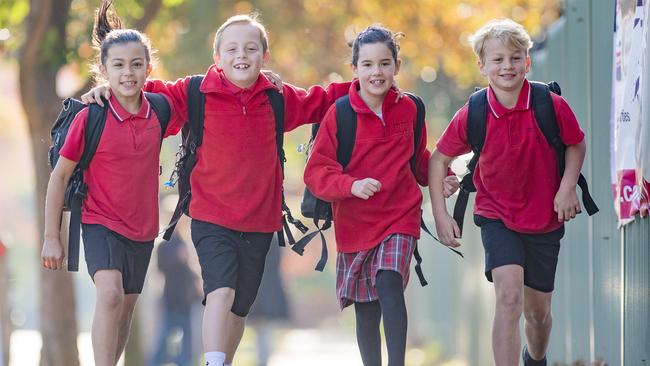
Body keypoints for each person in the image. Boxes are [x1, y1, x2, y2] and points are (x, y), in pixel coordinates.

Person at [82, 13, 351, 366]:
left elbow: (324, 99)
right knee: (219, 293)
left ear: (264, 57)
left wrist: (368, 82)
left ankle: (221, 359)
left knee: (239, 309)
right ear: (218, 58)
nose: (242, 55)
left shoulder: (277, 99)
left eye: (251, 48)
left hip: (260, 221)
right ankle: (212, 361)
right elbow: (138, 90)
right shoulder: (196, 93)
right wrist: (106, 87)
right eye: (233, 48)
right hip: (210, 218)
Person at [428, 18, 587, 366]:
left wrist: (567, 187)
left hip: (545, 218)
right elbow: (440, 158)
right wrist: (441, 215)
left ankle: (536, 359)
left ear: (527, 62)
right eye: (497, 60)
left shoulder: (549, 103)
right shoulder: (475, 111)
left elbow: (576, 144)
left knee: (537, 314)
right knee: (508, 297)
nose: (507, 66)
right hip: (497, 216)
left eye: (515, 58)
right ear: (482, 65)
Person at [303, 25, 457, 366]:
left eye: (385, 64)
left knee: (388, 282)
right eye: (368, 65)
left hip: (399, 215)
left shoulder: (411, 109)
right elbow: (315, 173)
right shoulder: (339, 114)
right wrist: (350, 185)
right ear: (355, 69)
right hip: (355, 224)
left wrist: (441, 175)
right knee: (367, 309)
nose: (377, 72)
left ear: (397, 67)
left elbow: (418, 159)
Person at [40, 2, 181, 366]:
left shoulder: (161, 111)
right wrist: (51, 237)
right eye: (118, 65)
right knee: (111, 295)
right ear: (103, 71)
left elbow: (205, 95)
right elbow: (59, 178)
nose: (128, 73)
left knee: (126, 306)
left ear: (149, 68)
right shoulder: (91, 116)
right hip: (100, 222)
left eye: (137, 64)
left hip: (144, 229)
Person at [148, 232, 201, 366]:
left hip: (186, 300)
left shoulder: (185, 242)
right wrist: (178, 257)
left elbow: (190, 270)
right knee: (163, 337)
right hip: (171, 299)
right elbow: (160, 268)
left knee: (187, 341)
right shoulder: (164, 245)